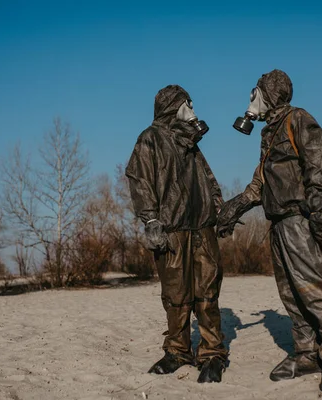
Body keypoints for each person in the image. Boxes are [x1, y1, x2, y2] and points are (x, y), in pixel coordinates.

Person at [218, 69, 322, 391]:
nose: (251, 99)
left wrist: (319, 207)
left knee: (313, 288)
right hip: (278, 223)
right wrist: (233, 208)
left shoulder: (298, 119)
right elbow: (260, 183)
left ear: (267, 92)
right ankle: (307, 353)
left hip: (299, 220)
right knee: (291, 294)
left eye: (255, 93)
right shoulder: (271, 131)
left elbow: (317, 165)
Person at [125, 85, 228, 383]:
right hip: (171, 231)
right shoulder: (150, 139)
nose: (194, 109)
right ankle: (178, 351)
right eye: (188, 104)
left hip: (202, 228)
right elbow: (139, 179)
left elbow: (208, 179)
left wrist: (220, 210)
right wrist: (151, 220)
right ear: (174, 106)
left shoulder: (191, 143)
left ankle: (212, 354)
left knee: (207, 293)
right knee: (176, 295)